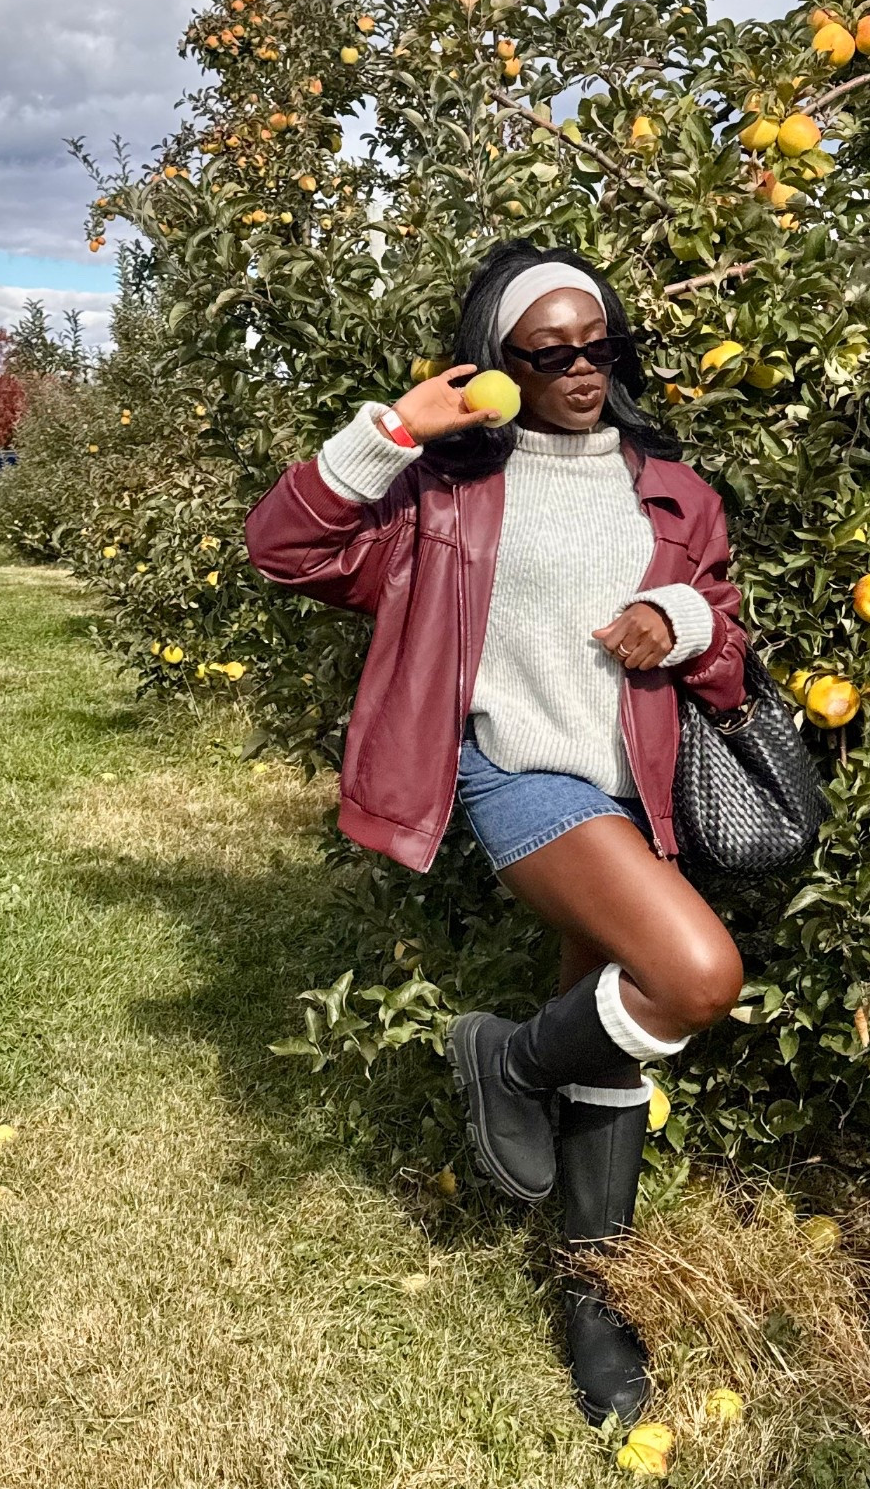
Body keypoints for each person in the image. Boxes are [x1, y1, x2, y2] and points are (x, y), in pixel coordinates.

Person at [245, 241, 748, 1427]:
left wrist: (677, 616)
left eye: (600, 344)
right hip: (518, 772)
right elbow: (285, 549)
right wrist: (392, 431)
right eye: (549, 351)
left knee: (615, 1045)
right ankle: (510, 1060)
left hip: (639, 794)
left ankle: (594, 1299)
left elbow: (725, 637)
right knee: (696, 975)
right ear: (500, 362)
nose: (581, 368)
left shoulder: (675, 491)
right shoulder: (448, 493)